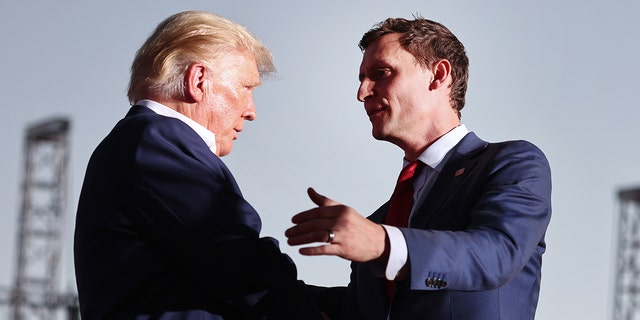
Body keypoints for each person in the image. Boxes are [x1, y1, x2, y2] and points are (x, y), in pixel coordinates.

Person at [285, 16, 552, 320]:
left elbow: (497, 253)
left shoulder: (511, 163)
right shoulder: (381, 220)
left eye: (381, 73)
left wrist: (381, 243)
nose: (362, 93)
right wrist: (257, 281)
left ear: (438, 75)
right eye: (361, 78)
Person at [74, 11, 322, 320]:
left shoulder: (140, 141)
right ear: (198, 80)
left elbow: (213, 278)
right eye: (246, 88)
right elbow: (239, 260)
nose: (251, 111)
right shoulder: (156, 139)